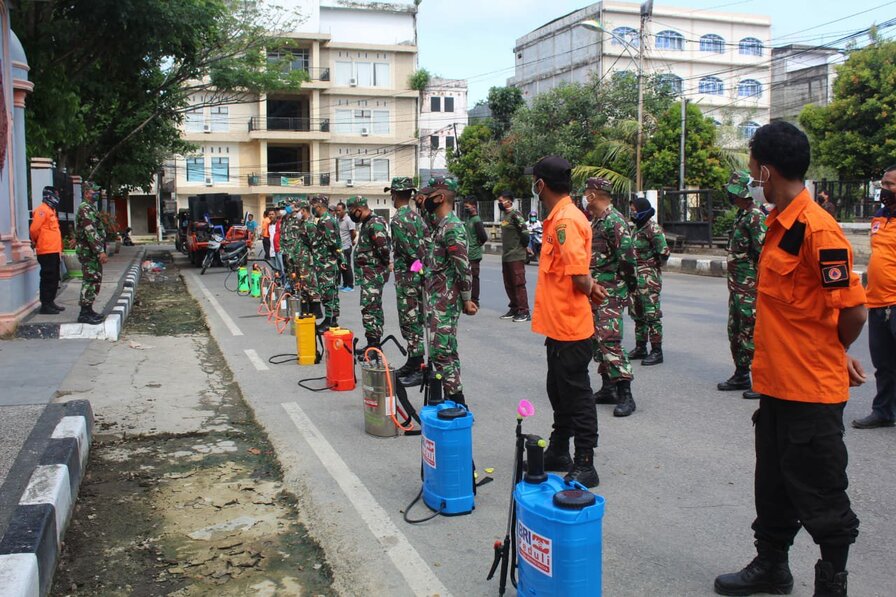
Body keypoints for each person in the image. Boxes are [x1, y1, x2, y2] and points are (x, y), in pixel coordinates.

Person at [713, 121, 867, 597]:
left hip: (810, 393)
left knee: (821, 493)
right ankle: (772, 567)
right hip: (776, 386)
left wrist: (831, 351)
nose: (751, 171)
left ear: (766, 171)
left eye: (752, 162)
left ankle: (832, 580)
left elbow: (853, 310)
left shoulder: (819, 230)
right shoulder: (778, 225)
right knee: (774, 488)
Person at [529, 157, 606, 489]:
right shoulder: (558, 218)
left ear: (541, 185)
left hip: (572, 328)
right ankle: (560, 449)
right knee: (557, 390)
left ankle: (585, 461)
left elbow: (577, 274)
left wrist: (589, 286)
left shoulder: (566, 221)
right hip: (557, 326)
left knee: (577, 395)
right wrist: (591, 285)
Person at [419, 176, 477, 404]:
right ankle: (453, 397)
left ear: (440, 197)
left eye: (429, 195)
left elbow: (463, 267)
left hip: (447, 300)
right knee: (444, 350)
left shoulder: (452, 227)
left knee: (441, 351)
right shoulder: (440, 226)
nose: (425, 200)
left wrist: (467, 299)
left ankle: (456, 399)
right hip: (437, 298)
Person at [585, 178, 639, 417]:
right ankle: (608, 387)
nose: (584, 197)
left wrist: (628, 287)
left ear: (594, 195)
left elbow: (628, 258)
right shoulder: (597, 220)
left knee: (609, 340)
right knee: (597, 340)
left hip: (611, 291)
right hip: (595, 290)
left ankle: (626, 393)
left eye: (586, 192)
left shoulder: (614, 221)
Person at [852, 165, 896, 430]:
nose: (884, 189)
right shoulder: (879, 217)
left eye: (890, 184)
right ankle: (884, 412)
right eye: (883, 183)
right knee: (884, 364)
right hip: (878, 302)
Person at [717, 170, 767, 400]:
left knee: (751, 332)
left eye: (734, 192)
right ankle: (741, 374)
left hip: (750, 288)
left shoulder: (756, 216)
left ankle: (761, 380)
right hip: (737, 287)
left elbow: (762, 254)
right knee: (736, 331)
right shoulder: (742, 215)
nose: (731, 196)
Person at [387, 177, 427, 386]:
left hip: (407, 279)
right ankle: (413, 362)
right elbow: (425, 246)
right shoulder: (417, 218)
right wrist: (422, 273)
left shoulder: (397, 220)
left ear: (394, 194)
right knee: (416, 321)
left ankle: (418, 365)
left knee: (410, 322)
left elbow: (409, 252)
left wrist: (416, 271)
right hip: (417, 278)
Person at [628, 196, 670, 366]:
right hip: (635, 277)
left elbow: (664, 252)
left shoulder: (652, 228)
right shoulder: (636, 228)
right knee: (637, 314)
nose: (632, 212)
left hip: (648, 278)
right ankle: (640, 347)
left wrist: (650, 267)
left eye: (634, 210)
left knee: (651, 315)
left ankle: (656, 350)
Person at [347, 195, 391, 352]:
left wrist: (384, 265)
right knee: (373, 308)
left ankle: (374, 347)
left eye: (351, 212)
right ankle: (373, 344)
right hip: (369, 274)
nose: (351, 215)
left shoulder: (374, 223)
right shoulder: (367, 223)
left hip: (373, 274)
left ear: (358, 210)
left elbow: (384, 249)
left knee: (370, 309)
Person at [75, 183, 108, 325]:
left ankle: (89, 310)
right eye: (94, 191)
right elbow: (90, 232)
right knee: (90, 280)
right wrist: (100, 251)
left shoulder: (91, 208)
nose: (97, 194)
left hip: (91, 251)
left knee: (95, 279)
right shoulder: (85, 208)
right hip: (88, 252)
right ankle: (84, 313)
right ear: (87, 193)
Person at [30, 186, 65, 314]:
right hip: (46, 251)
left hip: (54, 250)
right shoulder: (42, 210)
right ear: (49, 196)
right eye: (55, 195)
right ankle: (45, 305)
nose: (57, 198)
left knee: (55, 278)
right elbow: (34, 230)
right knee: (48, 278)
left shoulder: (51, 211)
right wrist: (38, 241)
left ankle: (50, 302)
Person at [496, 191, 531, 322]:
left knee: (518, 283)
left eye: (501, 201)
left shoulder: (516, 214)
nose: (500, 203)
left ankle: (524, 311)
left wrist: (523, 246)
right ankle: (515, 308)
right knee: (509, 283)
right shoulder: (505, 216)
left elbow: (525, 233)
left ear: (509, 201)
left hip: (516, 254)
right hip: (506, 255)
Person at [311, 195, 345, 328]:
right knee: (329, 292)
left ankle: (330, 319)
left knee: (328, 292)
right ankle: (332, 319)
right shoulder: (326, 219)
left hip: (327, 262)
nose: (313, 209)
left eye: (314, 206)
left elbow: (332, 242)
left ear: (319, 206)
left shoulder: (326, 221)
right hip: (325, 261)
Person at [462, 196, 489, 307]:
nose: (465, 209)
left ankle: (475, 300)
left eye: (467, 207)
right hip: (468, 253)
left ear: (473, 206)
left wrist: (477, 245)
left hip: (474, 254)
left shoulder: (477, 220)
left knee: (474, 278)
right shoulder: (469, 219)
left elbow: (483, 237)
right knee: (467, 277)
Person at [335, 202, 356, 291]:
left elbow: (353, 233)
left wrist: (350, 241)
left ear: (344, 210)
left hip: (346, 246)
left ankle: (350, 286)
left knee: (347, 266)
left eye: (339, 210)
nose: (337, 212)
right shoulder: (338, 220)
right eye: (337, 210)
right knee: (342, 266)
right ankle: (345, 284)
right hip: (340, 247)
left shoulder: (348, 220)